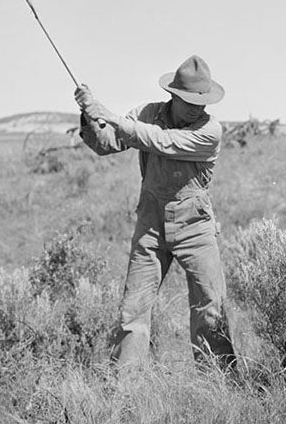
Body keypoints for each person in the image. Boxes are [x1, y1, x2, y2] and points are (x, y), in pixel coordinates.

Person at [75, 55, 237, 370]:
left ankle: (219, 386)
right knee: (133, 311)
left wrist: (110, 114)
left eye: (201, 102)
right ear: (173, 94)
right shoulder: (147, 114)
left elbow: (161, 141)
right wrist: (90, 114)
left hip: (196, 229)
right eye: (189, 100)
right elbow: (108, 143)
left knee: (211, 309)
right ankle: (123, 393)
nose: (196, 108)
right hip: (151, 224)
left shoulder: (210, 130)